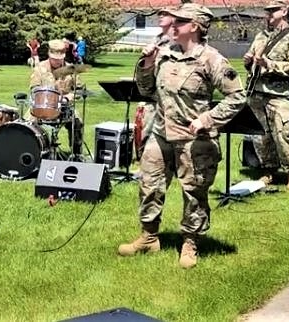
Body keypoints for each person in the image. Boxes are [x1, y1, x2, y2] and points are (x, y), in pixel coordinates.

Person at [119, 3, 246, 268]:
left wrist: (206, 119)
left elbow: (237, 96)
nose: (172, 25)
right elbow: (145, 90)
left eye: (180, 22)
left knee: (193, 192)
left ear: (196, 27)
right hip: (160, 133)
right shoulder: (164, 54)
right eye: (173, 21)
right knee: (149, 185)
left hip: (193, 140)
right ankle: (149, 236)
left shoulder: (212, 59)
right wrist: (147, 63)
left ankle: (190, 242)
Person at [243, 0, 289, 191]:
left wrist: (268, 64)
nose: (268, 14)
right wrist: (248, 62)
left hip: (278, 94)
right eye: (267, 11)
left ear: (285, 11)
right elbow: (252, 58)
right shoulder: (262, 36)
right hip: (256, 92)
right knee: (261, 136)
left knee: (283, 133)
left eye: (272, 10)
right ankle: (268, 170)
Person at [29, 39, 84, 156]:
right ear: (49, 55)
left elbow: (80, 90)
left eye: (60, 59)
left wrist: (69, 97)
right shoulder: (40, 68)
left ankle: (76, 154)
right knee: (27, 124)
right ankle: (33, 152)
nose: (57, 62)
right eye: (54, 59)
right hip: (43, 105)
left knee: (78, 122)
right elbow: (34, 88)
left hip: (65, 107)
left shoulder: (71, 69)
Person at [134, 8, 175, 161]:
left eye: (165, 13)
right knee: (147, 138)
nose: (160, 16)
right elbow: (145, 84)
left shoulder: (180, 43)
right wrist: (147, 62)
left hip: (173, 103)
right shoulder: (156, 40)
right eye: (160, 13)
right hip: (154, 99)